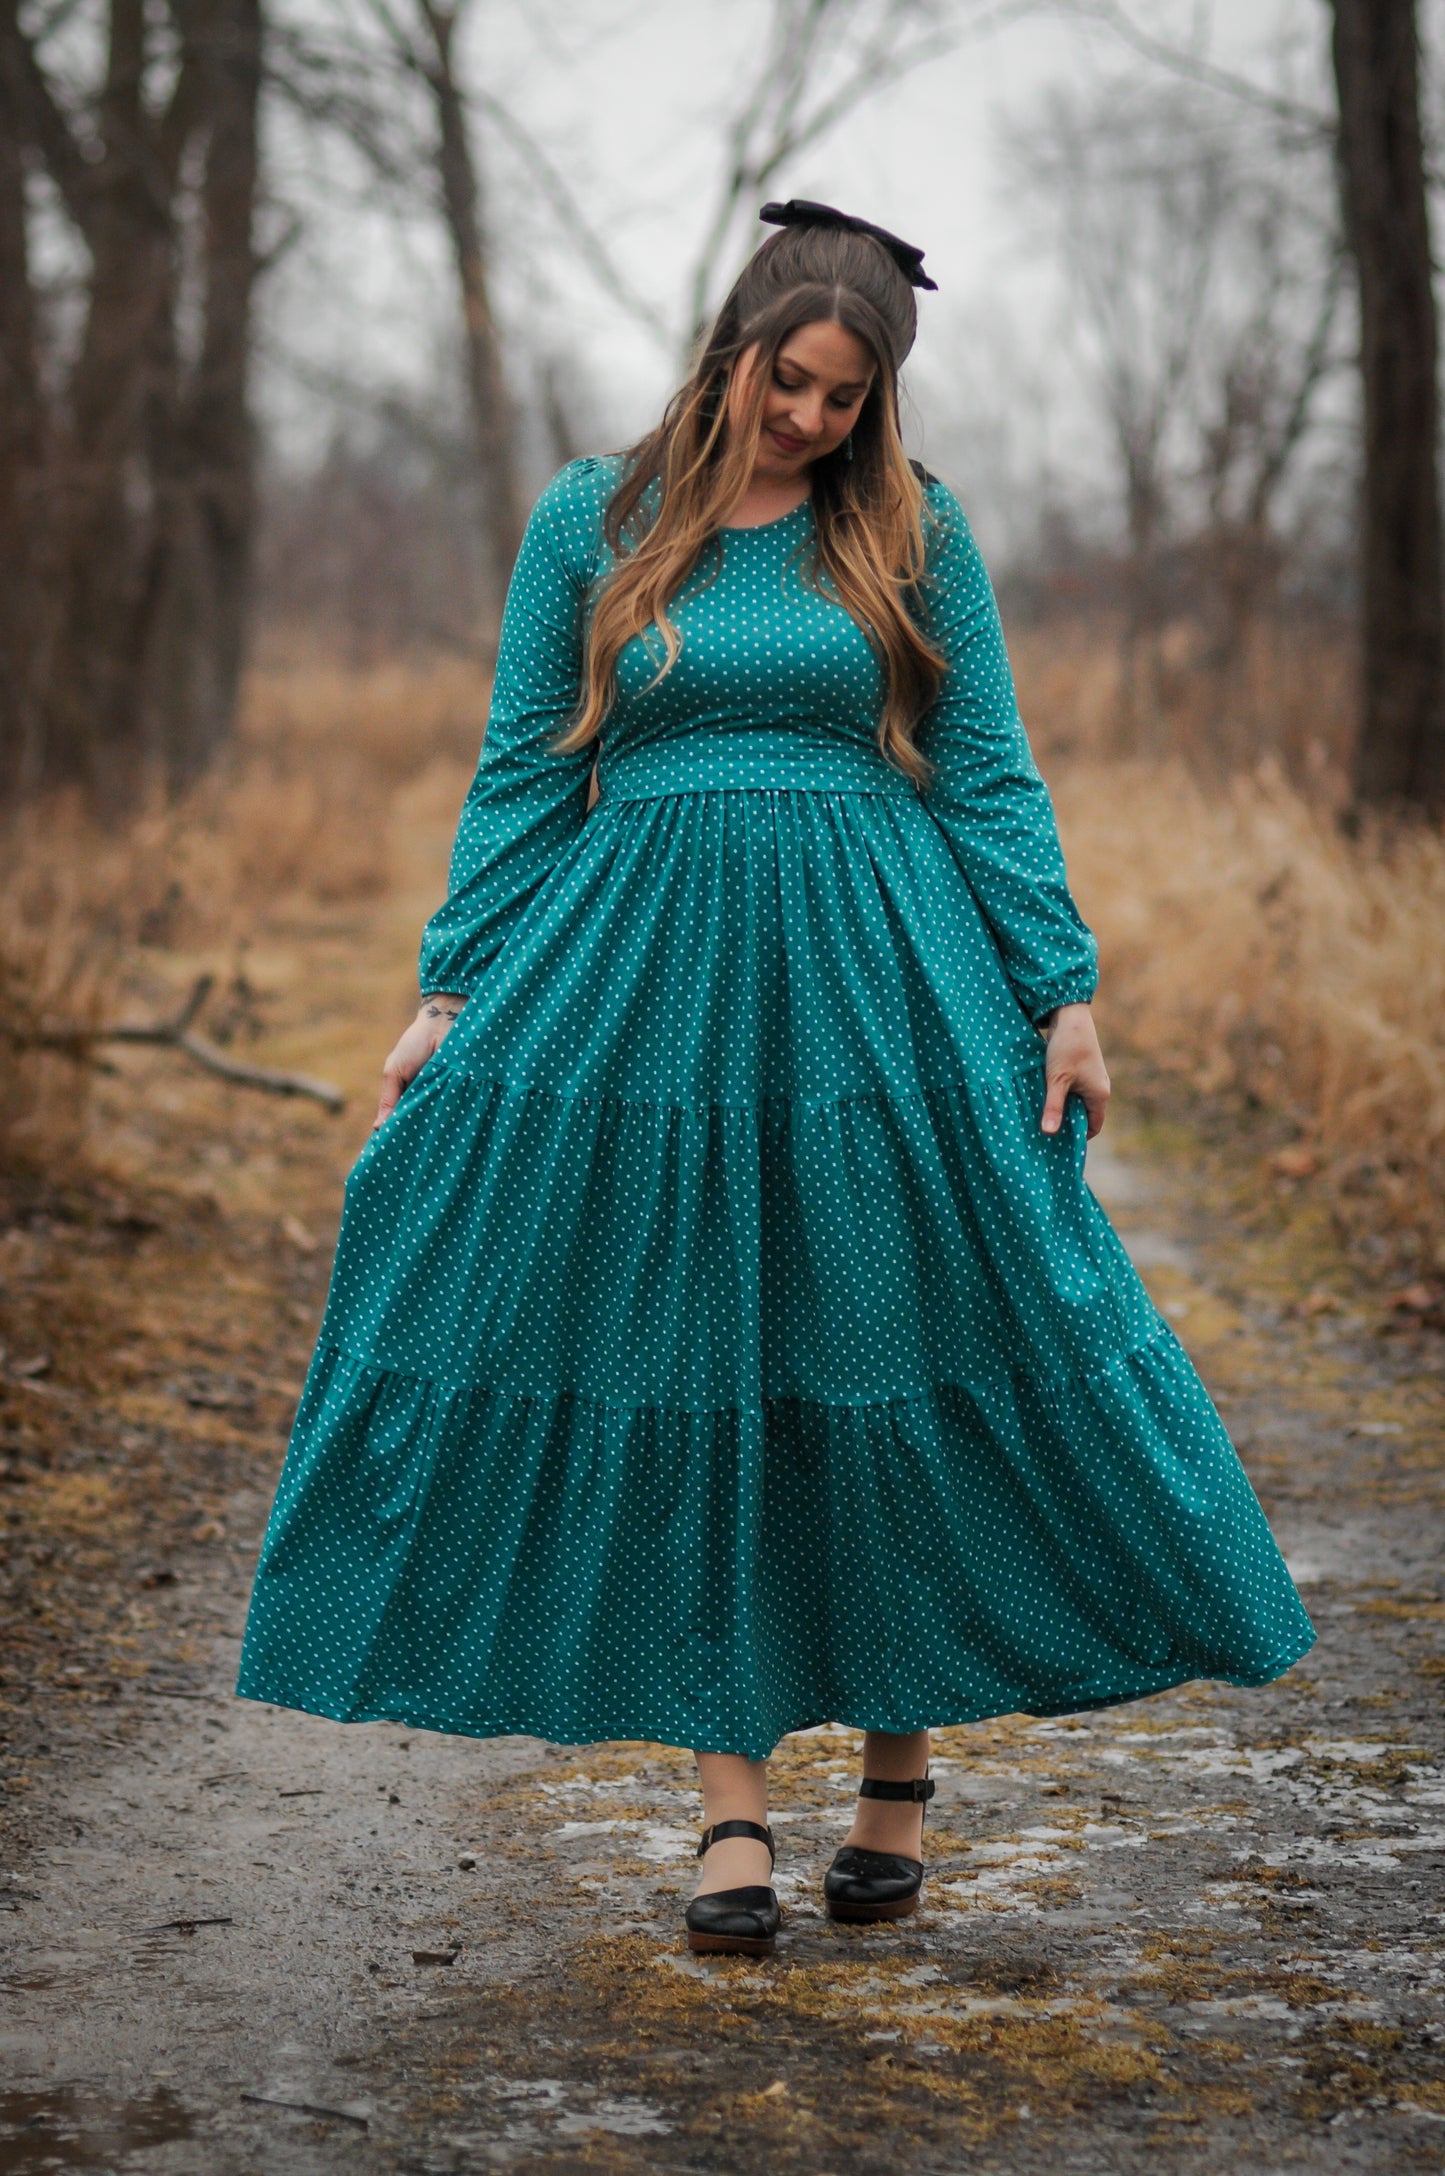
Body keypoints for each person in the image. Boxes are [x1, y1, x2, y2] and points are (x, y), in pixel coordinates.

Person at [237, 199, 1315, 1959]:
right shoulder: (597, 518)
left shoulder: (910, 530)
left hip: (887, 991)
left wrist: (1062, 988)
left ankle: (894, 1785)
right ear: (733, 341)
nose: (805, 417)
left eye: (842, 394)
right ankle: (729, 1810)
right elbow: (525, 765)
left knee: (891, 1350)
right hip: (650, 994)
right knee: (695, 1364)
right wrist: (450, 987)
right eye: (786, 378)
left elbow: (984, 771)